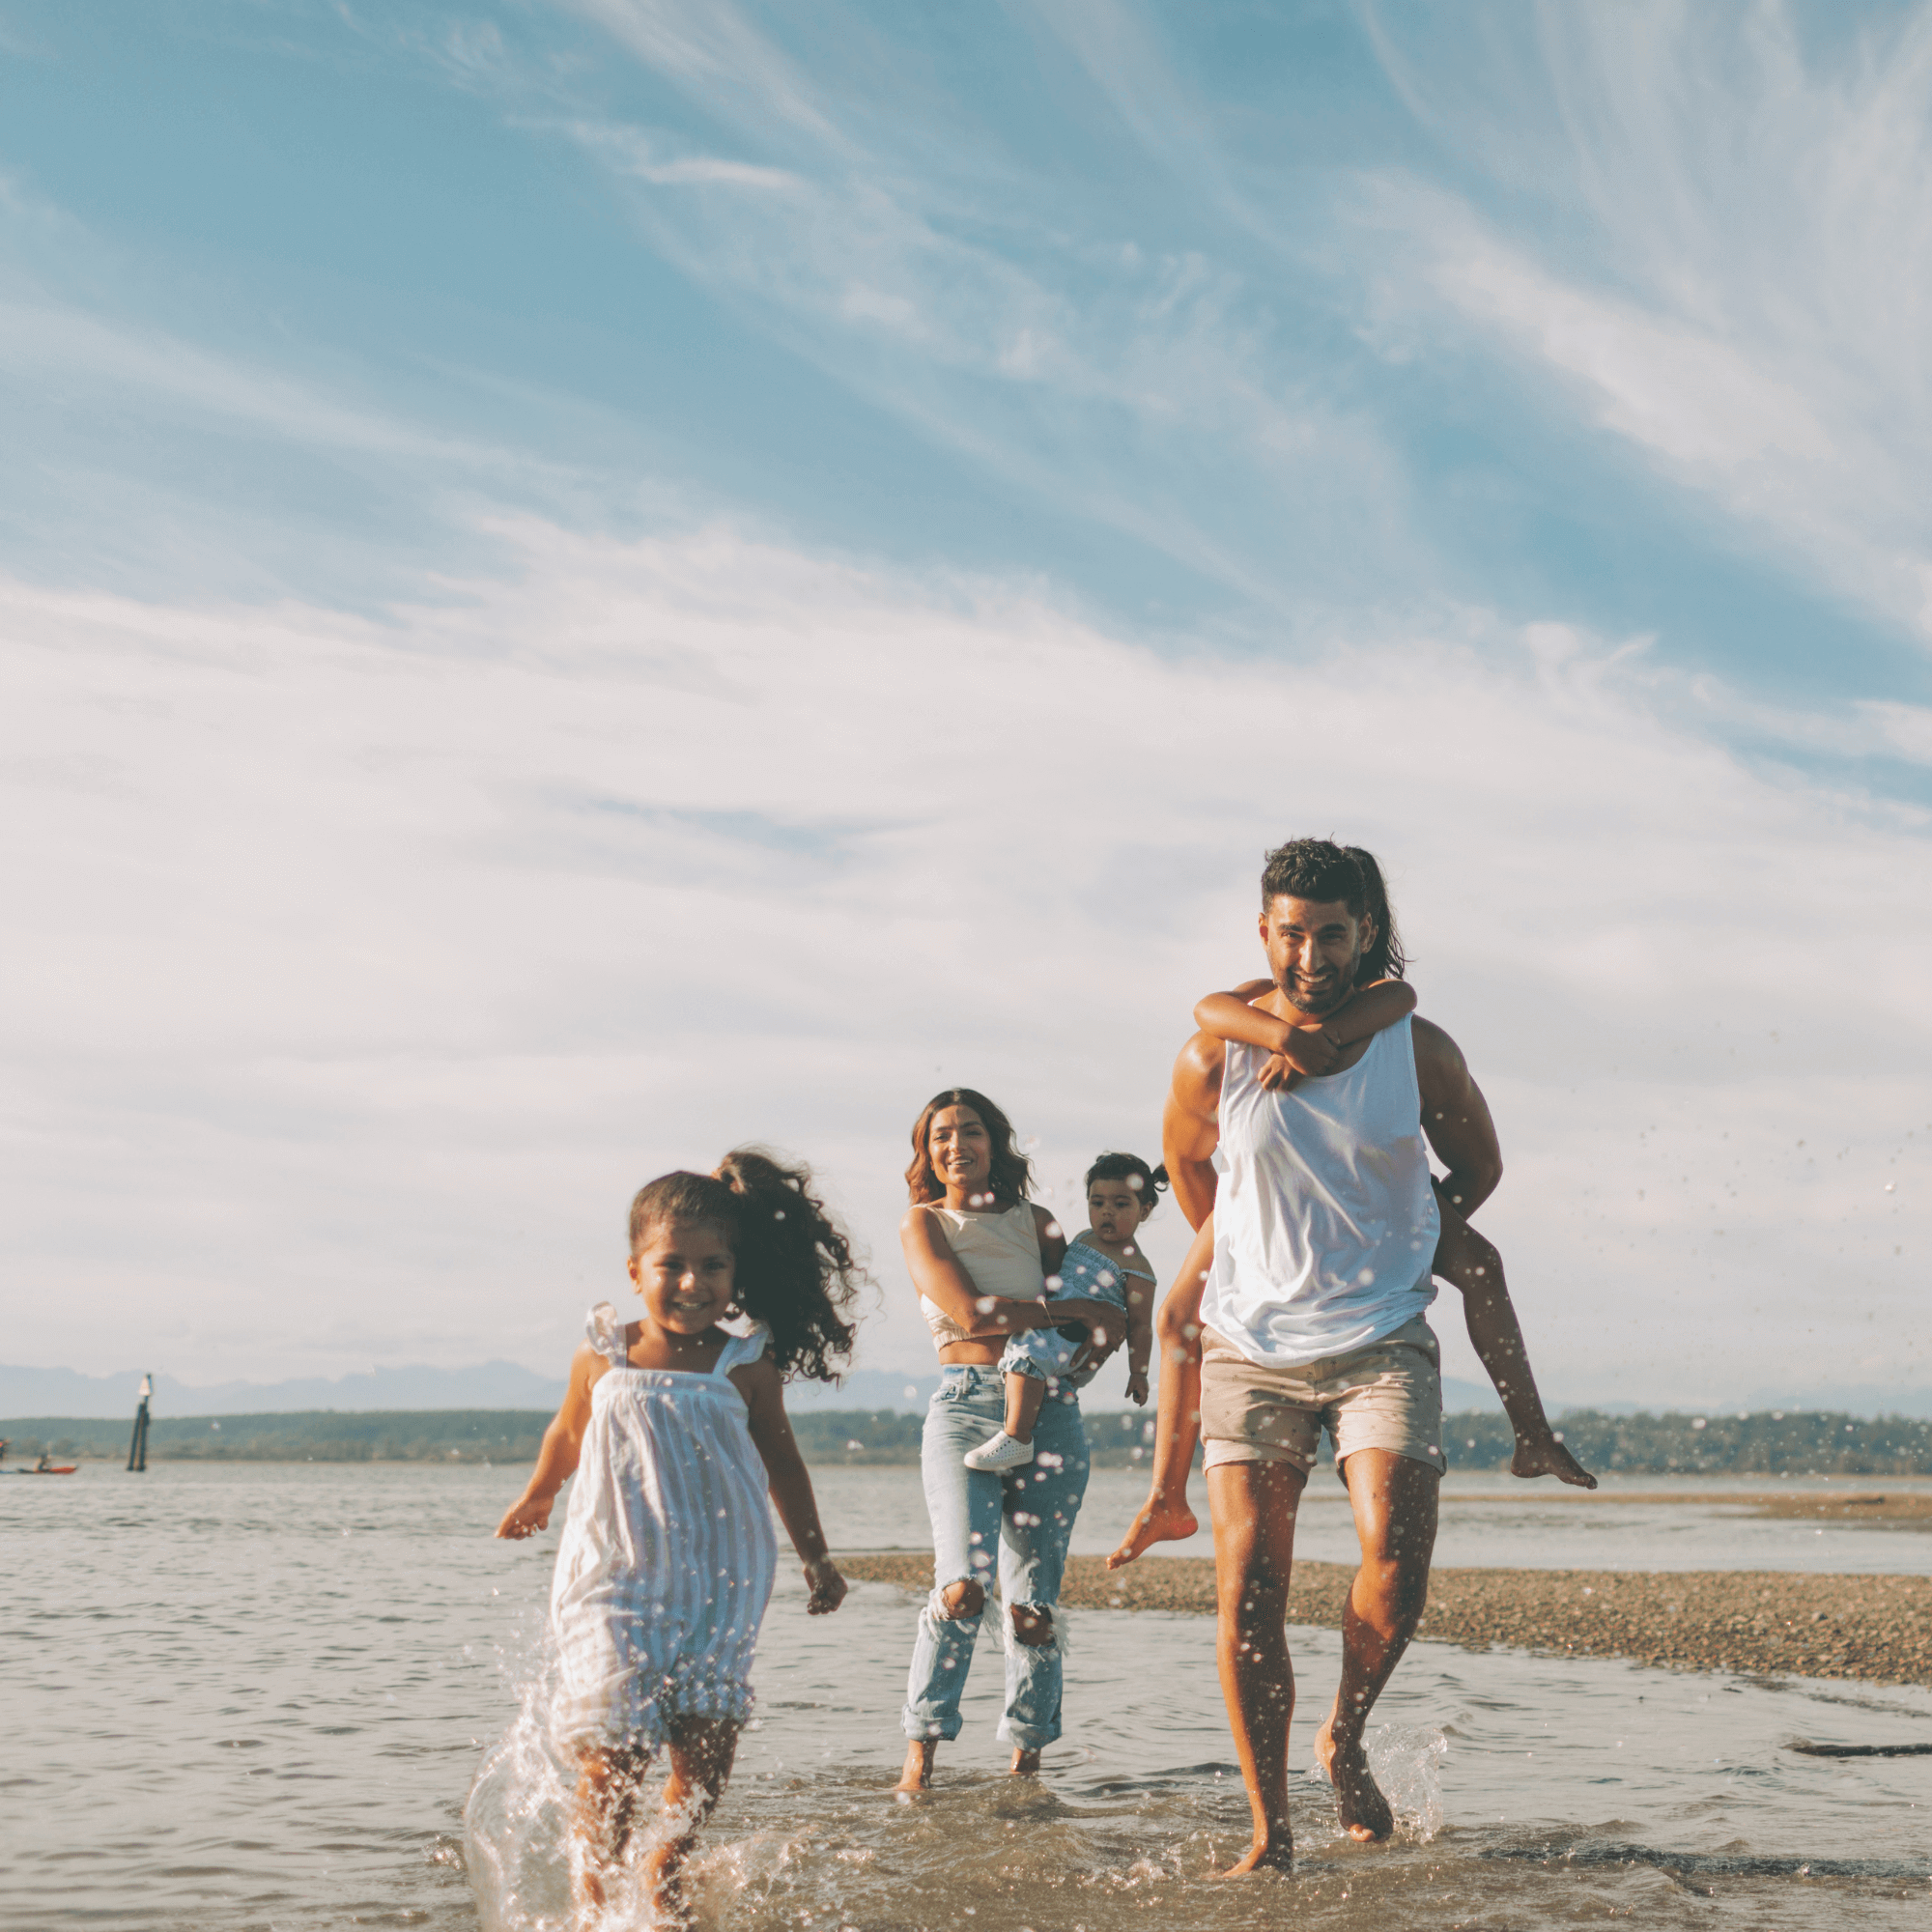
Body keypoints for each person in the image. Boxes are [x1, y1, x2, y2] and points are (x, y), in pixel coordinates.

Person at [1111, 838, 1580, 1872]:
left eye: (1330, 932)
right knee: (1248, 1585)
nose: (1310, 955)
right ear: (1262, 932)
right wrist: (1242, 1242)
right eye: (1290, 932)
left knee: (1392, 1561)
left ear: (1365, 931)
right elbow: (1190, 1169)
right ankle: (1268, 1830)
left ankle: (1343, 1733)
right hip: (1247, 1347)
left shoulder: (1417, 1050)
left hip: (1381, 1339)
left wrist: (1404, 1226)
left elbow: (1480, 1161)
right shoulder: (1211, 1056)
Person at [495, 1149, 858, 1926]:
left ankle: (668, 1864)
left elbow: (782, 1463)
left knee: (705, 1753)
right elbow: (567, 1432)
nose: (693, 1284)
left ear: (736, 1273)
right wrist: (538, 1493)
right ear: (635, 1270)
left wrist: (815, 1557)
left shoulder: (745, 1363)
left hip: (720, 1582)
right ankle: (596, 1908)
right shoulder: (605, 1352)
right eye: (673, 1265)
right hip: (614, 1577)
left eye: (713, 1267)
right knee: (611, 1752)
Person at [895, 1089, 1132, 1793]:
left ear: (994, 1143)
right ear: (927, 1150)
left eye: (970, 1131)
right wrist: (1072, 1311)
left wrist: (1099, 1325)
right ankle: (921, 1754)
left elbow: (1095, 1315)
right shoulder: (924, 1223)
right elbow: (969, 1313)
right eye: (941, 1135)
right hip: (965, 1409)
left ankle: (1026, 1765)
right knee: (964, 1588)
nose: (955, 1144)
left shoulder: (1040, 1222)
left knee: (1031, 1608)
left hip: (1050, 1414)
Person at [962, 1151, 1163, 1471]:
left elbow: (1140, 1326)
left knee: (1027, 1355)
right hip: (1059, 1320)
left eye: (1121, 1204)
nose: (1106, 1212)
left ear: (1146, 1210)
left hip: (1077, 1337)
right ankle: (1021, 1423)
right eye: (1097, 1203)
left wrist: (1138, 1372)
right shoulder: (1084, 1238)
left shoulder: (1137, 1269)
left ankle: (1017, 1438)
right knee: (1025, 1353)